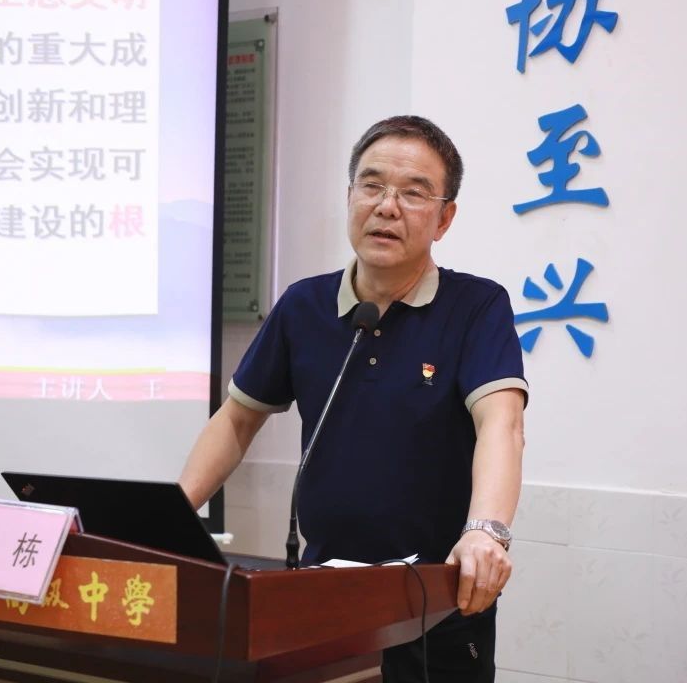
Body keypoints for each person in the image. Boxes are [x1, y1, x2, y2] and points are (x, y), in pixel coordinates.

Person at [179, 115, 527, 682]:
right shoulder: (304, 306)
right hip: (325, 597)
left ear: (444, 219)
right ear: (349, 198)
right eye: (372, 186)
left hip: (437, 597)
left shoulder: (476, 307)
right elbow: (237, 421)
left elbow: (502, 424)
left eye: (413, 193)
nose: (387, 207)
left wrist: (486, 530)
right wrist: (173, 517)